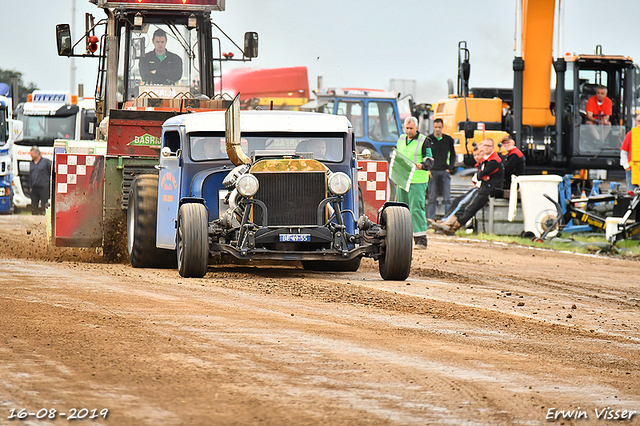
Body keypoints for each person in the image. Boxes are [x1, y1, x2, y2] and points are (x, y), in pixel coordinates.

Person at [431, 139, 504, 234]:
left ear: (493, 147)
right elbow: (481, 175)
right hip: (483, 187)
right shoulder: (486, 160)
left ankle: (452, 226)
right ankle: (448, 223)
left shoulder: (494, 160)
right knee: (462, 203)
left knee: (470, 206)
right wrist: (481, 175)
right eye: (485, 145)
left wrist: (481, 175)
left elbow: (480, 175)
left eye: (489, 146)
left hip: (490, 189)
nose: (486, 148)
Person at [395, 116, 434, 249]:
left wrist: (423, 165)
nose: (409, 131)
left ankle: (420, 240)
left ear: (416, 128)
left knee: (416, 209)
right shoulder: (401, 139)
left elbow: (430, 160)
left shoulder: (424, 141)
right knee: (400, 209)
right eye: (407, 128)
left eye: (411, 128)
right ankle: (401, 239)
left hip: (417, 180)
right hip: (402, 179)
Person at [426, 118, 456, 219]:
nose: (437, 129)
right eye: (435, 127)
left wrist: (450, 168)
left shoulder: (448, 140)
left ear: (442, 127)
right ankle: (431, 218)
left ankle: (447, 218)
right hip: (432, 171)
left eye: (439, 127)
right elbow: (425, 155)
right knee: (432, 197)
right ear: (433, 127)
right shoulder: (428, 139)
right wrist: (427, 169)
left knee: (447, 197)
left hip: (444, 170)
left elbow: (453, 154)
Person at [29, 146, 52, 216]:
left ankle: (44, 215)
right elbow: (30, 174)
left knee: (44, 202)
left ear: (37, 153)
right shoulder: (31, 163)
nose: (31, 155)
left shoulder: (46, 162)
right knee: (34, 203)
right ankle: (34, 216)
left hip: (44, 186)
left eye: (32, 154)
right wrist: (30, 186)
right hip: (34, 186)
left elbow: (51, 172)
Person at [620, 113, 640, 193]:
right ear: (636, 122)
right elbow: (624, 152)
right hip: (632, 170)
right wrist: (626, 167)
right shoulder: (630, 134)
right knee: (632, 194)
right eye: (639, 121)